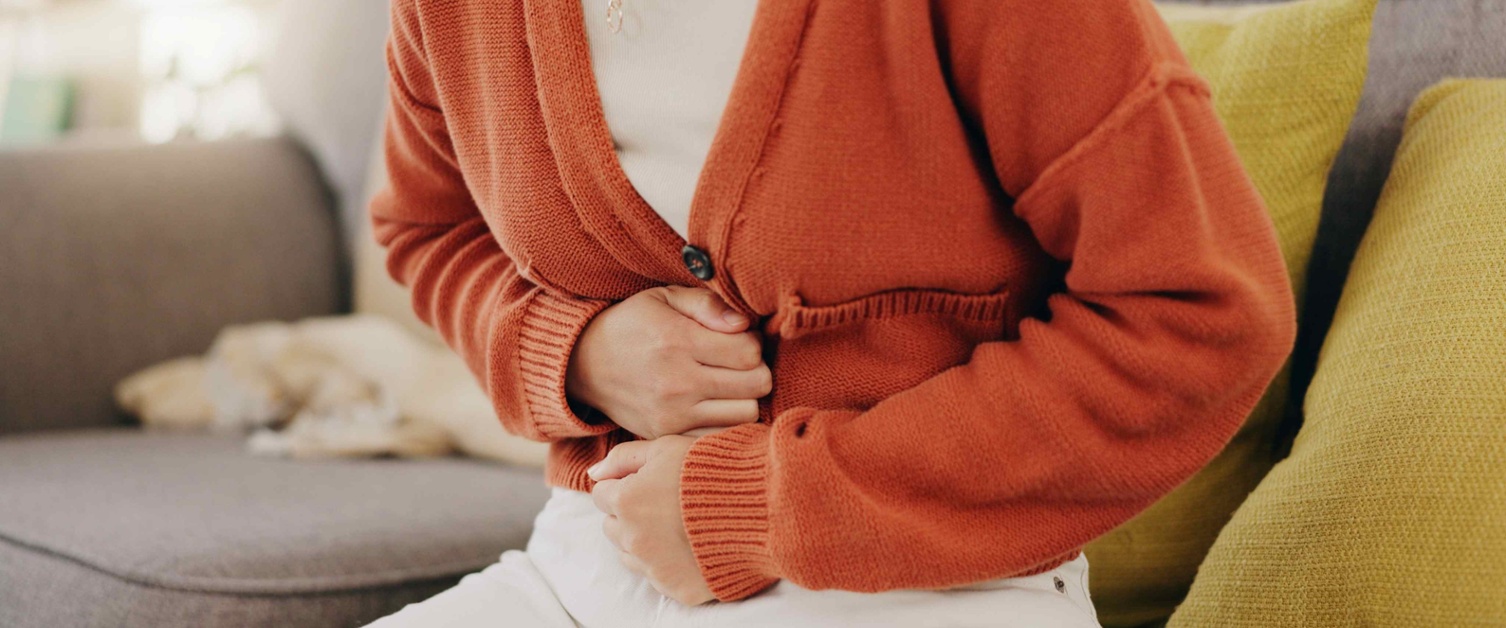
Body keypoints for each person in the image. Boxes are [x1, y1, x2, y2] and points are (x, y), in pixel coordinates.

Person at [365, 0, 1296, 625]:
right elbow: (427, 228)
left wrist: (763, 507)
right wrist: (569, 353)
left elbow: (1200, 313)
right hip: (587, 572)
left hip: (933, 592)